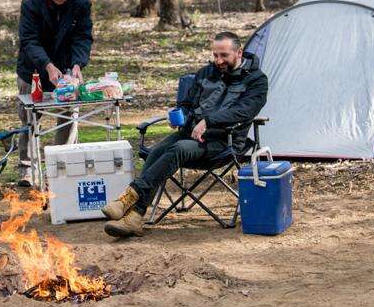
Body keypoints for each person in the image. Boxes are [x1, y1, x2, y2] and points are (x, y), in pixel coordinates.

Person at [101, 32, 268, 238]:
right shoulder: (206, 72)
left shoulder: (257, 80)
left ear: (239, 52)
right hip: (190, 135)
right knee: (157, 151)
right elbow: (187, 104)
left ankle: (129, 197)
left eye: (224, 55)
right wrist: (179, 116)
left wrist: (209, 122)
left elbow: (244, 111)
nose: (218, 61)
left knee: (177, 149)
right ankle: (135, 216)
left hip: (223, 142)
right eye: (215, 55)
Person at [16, 0, 93, 186]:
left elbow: (83, 36)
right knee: (29, 116)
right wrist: (47, 66)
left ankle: (62, 165)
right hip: (32, 68)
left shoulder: (80, 3)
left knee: (69, 115)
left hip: (66, 66)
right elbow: (29, 40)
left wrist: (78, 64)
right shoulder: (32, 3)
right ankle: (27, 169)